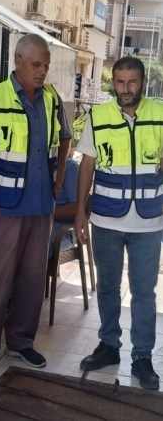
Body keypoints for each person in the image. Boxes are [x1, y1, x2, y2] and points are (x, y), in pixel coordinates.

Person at [0, 33, 71, 374]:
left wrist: (59, 178)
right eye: (36, 65)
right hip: (4, 208)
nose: (42, 71)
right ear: (18, 62)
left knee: (32, 280)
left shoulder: (51, 99)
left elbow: (65, 137)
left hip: (41, 208)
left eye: (46, 66)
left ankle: (21, 341)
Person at [75, 56, 163, 391]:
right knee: (108, 287)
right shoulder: (98, 117)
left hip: (149, 221)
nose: (126, 89)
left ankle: (142, 356)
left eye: (132, 82)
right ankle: (109, 344)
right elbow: (87, 166)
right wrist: (80, 212)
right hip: (106, 219)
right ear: (113, 83)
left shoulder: (160, 114)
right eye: (120, 82)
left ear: (143, 83)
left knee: (144, 292)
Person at [49, 155, 79, 259]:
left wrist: (46, 215)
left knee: (33, 251)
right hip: (37, 227)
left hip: (62, 233)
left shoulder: (70, 167)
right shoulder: (35, 166)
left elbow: (77, 207)